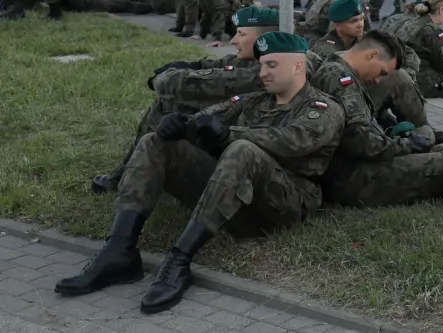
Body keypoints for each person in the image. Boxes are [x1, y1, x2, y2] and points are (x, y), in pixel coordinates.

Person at [57, 31, 343, 314]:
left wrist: (226, 134)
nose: (263, 73)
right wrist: (180, 123)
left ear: (297, 66)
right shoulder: (255, 100)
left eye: (272, 65)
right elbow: (209, 117)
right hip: (236, 197)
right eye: (261, 65)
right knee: (155, 142)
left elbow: (291, 140)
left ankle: (179, 260)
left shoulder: (322, 109)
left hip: (279, 206)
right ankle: (119, 250)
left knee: (243, 149)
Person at [91, 6, 283, 194]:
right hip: (240, 138)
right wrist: (191, 65)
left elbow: (181, 85)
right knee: (171, 105)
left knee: (168, 103)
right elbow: (222, 64)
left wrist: (161, 78)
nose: (233, 40)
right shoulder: (263, 60)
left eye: (241, 34)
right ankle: (135, 170)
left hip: (247, 153)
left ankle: (131, 174)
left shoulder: (262, 74)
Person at [314, 30, 443, 207]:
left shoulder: (335, 67)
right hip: (358, 179)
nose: (378, 80)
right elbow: (362, 144)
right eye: (382, 72)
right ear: (372, 55)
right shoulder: (342, 80)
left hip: (350, 172)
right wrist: (407, 144)